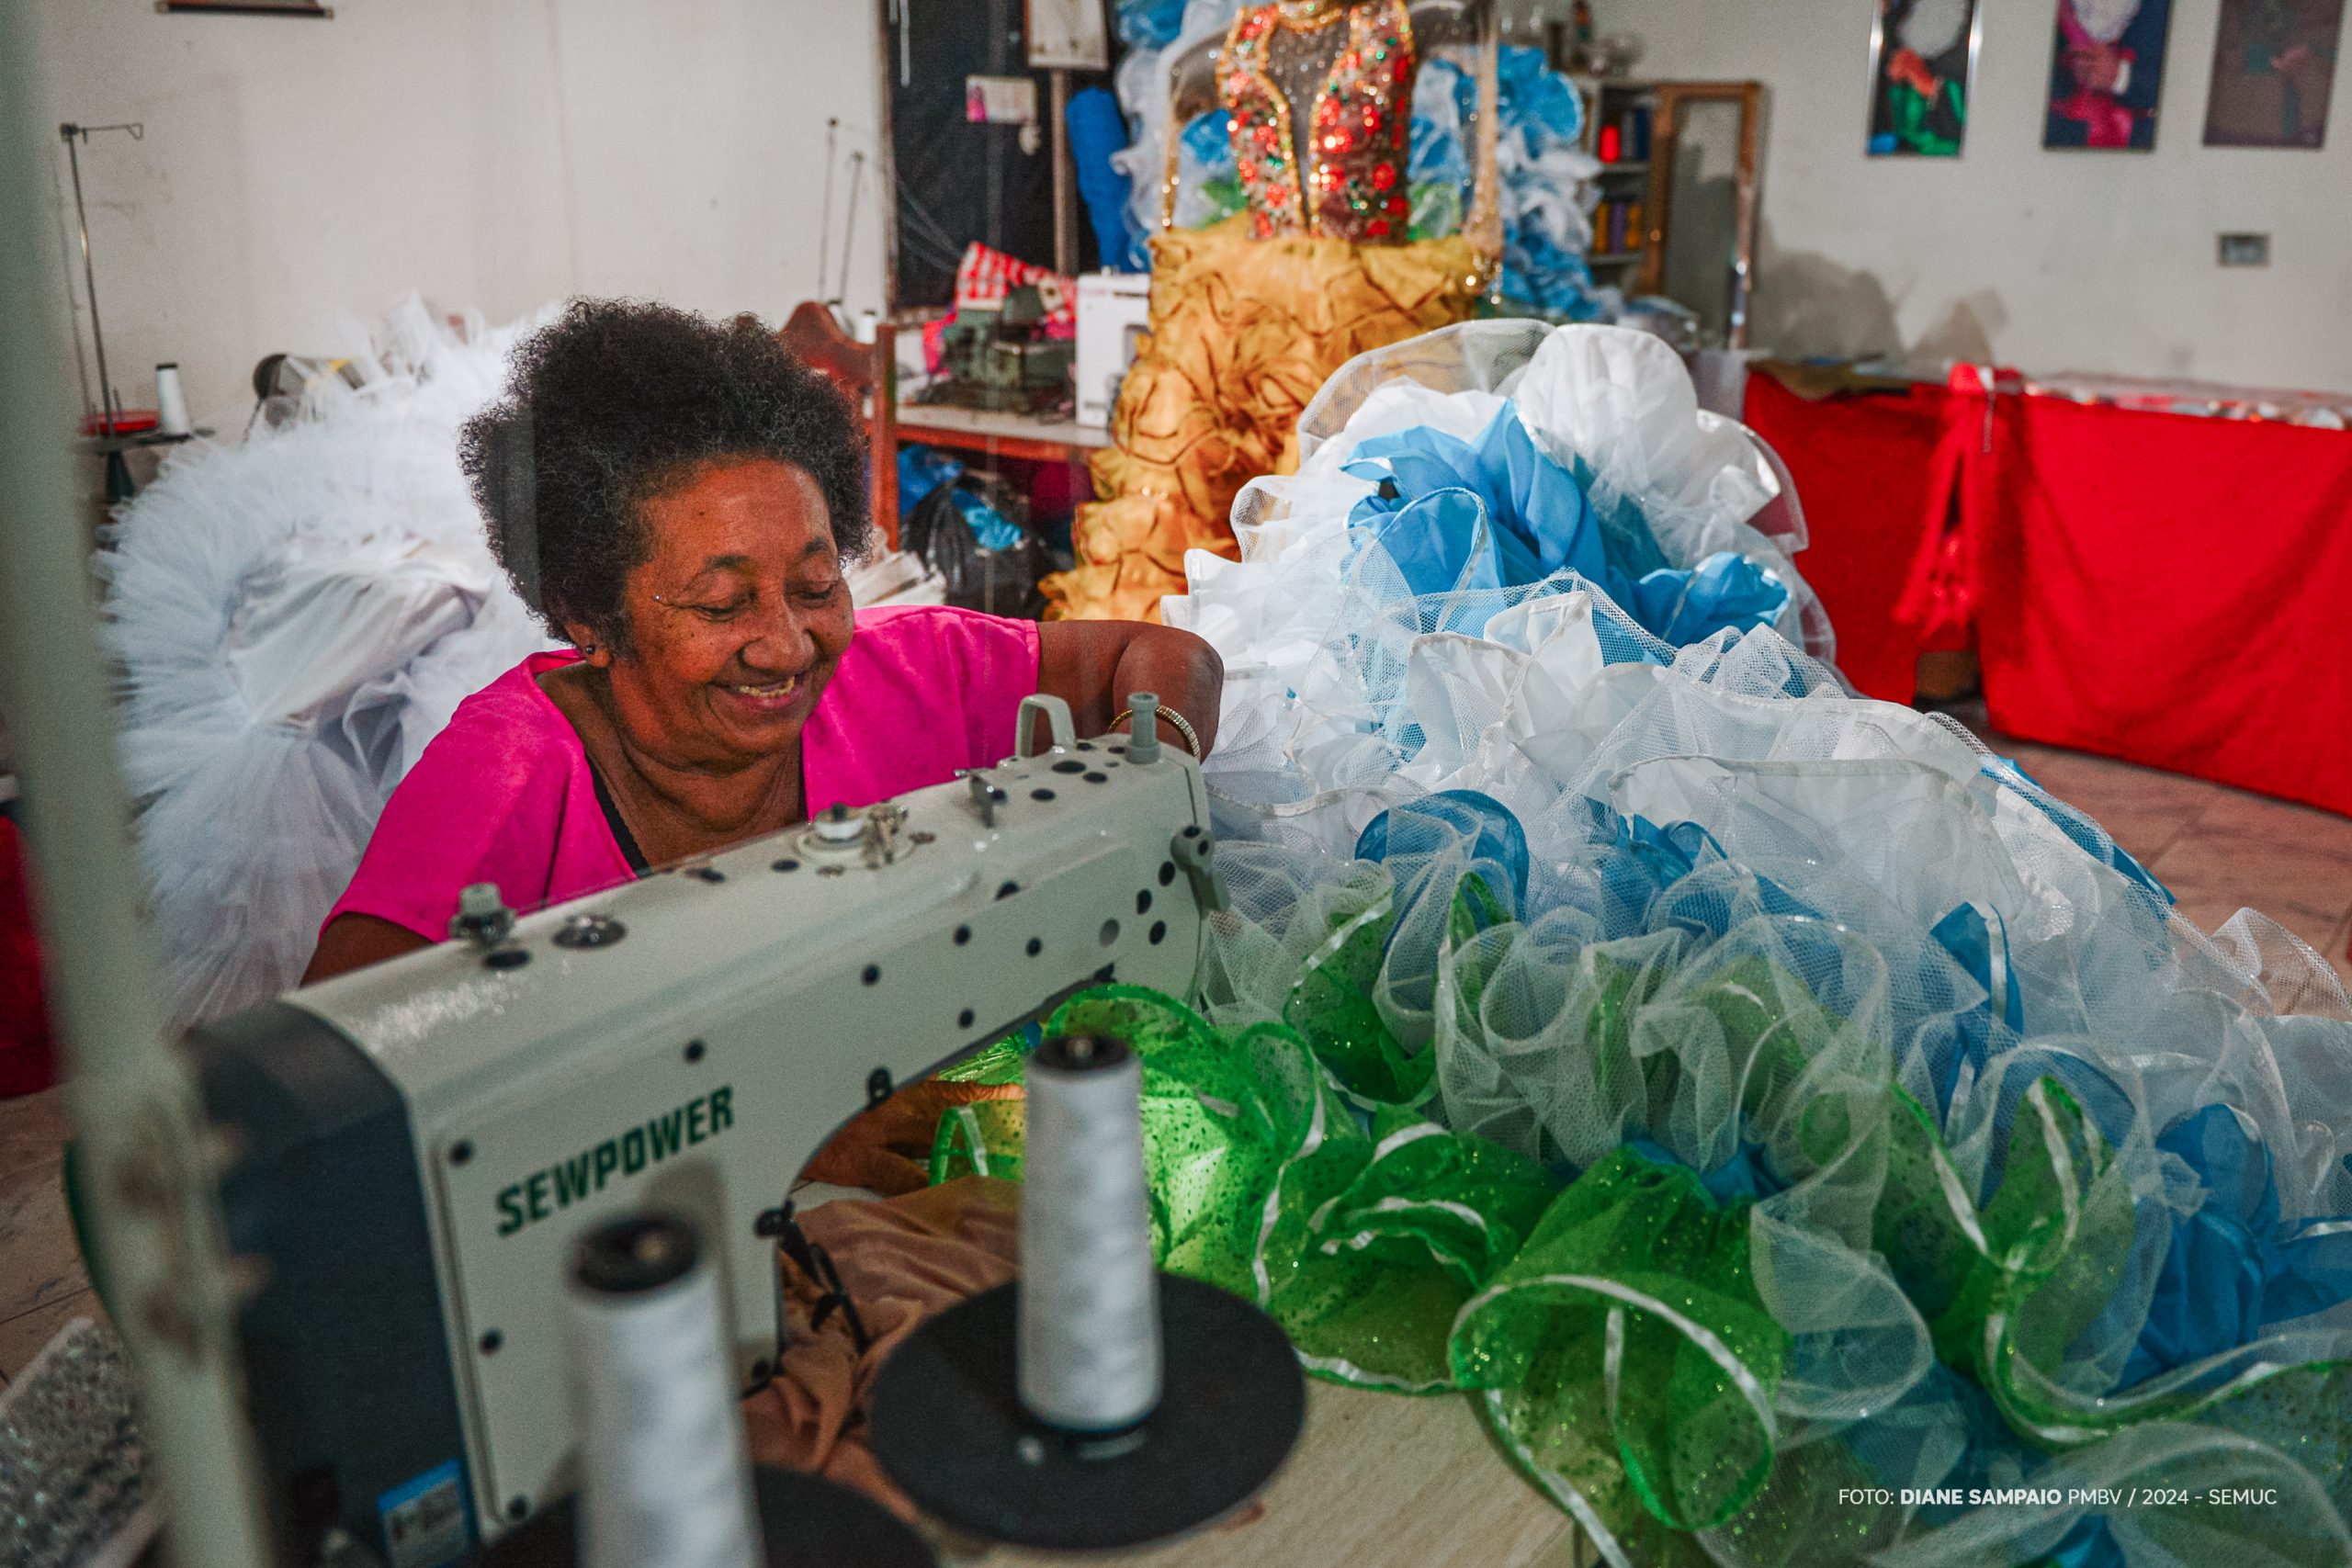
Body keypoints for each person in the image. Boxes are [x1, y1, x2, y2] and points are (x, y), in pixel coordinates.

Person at [304, 299, 1222, 986]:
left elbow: (1164, 659)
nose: (786, 647)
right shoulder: (501, 776)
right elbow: (346, 1079)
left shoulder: (909, 673)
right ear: (587, 611)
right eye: (719, 605)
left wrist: (1142, 782)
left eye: (817, 587)